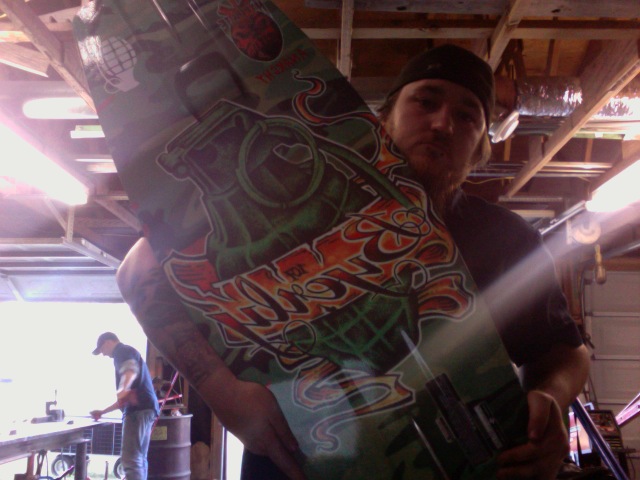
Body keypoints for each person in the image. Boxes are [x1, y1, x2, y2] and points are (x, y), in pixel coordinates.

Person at [115, 44, 589, 480]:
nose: (443, 124)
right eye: (425, 102)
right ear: (384, 119)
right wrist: (226, 395)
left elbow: (565, 352)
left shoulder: (507, 240)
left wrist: (550, 399)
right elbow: (137, 273)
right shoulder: (295, 187)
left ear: (483, 145)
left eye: (467, 116)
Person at [90, 332, 159, 480]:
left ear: (108, 342)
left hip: (138, 412)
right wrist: (103, 412)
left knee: (131, 459)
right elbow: (125, 400)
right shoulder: (128, 352)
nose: (103, 354)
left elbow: (129, 370)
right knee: (139, 459)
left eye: (102, 350)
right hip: (146, 409)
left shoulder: (122, 351)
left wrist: (123, 388)